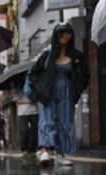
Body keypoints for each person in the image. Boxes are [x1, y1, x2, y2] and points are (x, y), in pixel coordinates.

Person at [28, 23, 90, 166]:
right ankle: (45, 151)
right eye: (61, 33)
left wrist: (78, 89)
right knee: (47, 120)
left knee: (65, 122)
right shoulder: (47, 55)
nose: (64, 36)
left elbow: (85, 76)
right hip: (47, 91)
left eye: (68, 33)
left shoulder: (77, 56)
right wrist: (38, 87)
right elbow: (33, 72)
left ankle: (60, 153)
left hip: (67, 91)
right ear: (55, 36)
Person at [14, 87, 39, 157]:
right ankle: (24, 149)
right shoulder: (17, 88)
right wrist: (29, 101)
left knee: (35, 131)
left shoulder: (33, 86)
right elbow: (17, 100)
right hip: (22, 113)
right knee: (25, 130)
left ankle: (33, 149)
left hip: (34, 111)